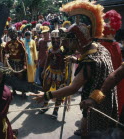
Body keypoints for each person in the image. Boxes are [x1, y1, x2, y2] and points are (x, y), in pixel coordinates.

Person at [32, 1, 118, 136]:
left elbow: (73, 88)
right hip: (105, 97)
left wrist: (46, 95)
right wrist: (77, 59)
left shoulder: (89, 62)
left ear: (78, 41)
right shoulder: (99, 48)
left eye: (69, 41)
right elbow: (96, 71)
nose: (66, 45)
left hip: (96, 102)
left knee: (92, 130)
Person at [39, 29, 66, 119]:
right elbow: (47, 60)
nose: (55, 41)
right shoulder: (50, 50)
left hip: (60, 74)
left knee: (59, 92)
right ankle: (45, 105)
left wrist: (65, 73)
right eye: (53, 39)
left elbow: (66, 63)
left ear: (60, 39)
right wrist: (44, 70)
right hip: (50, 72)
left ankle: (56, 110)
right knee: (46, 88)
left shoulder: (63, 51)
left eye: (57, 39)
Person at [3, 28, 26, 96]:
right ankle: (14, 90)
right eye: (11, 33)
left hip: (19, 63)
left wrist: (24, 64)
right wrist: (6, 55)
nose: (13, 35)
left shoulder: (20, 43)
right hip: (11, 62)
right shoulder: (8, 44)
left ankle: (23, 91)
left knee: (21, 77)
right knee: (13, 77)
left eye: (14, 33)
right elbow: (6, 52)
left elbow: (25, 54)